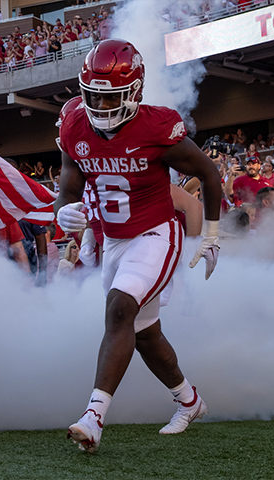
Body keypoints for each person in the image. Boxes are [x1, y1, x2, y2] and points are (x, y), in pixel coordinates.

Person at [54, 39, 222, 453]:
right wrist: (64, 212)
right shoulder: (75, 122)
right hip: (114, 241)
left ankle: (93, 416)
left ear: (134, 92)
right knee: (144, 334)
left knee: (119, 308)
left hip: (156, 233)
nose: (99, 105)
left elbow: (209, 172)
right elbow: (70, 181)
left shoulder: (156, 126)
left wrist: (213, 235)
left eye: (109, 97)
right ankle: (189, 400)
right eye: (91, 94)